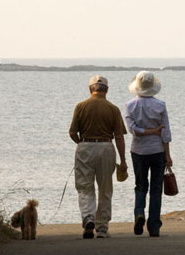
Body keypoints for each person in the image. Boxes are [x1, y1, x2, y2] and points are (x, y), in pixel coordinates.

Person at [69, 75, 127, 239]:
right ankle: (102, 227)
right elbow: (119, 137)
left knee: (84, 186)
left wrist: (81, 143)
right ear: (106, 90)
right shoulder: (113, 109)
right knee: (105, 188)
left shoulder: (80, 106)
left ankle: (88, 217)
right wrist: (122, 161)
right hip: (106, 147)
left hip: (85, 146)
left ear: (90, 89)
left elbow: (72, 132)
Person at [125, 71, 172, 237]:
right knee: (156, 188)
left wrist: (146, 131)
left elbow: (133, 130)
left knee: (140, 185)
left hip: (138, 151)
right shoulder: (160, 105)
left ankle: (139, 213)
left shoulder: (130, 105)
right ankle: (153, 226)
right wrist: (168, 155)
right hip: (157, 150)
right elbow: (165, 133)